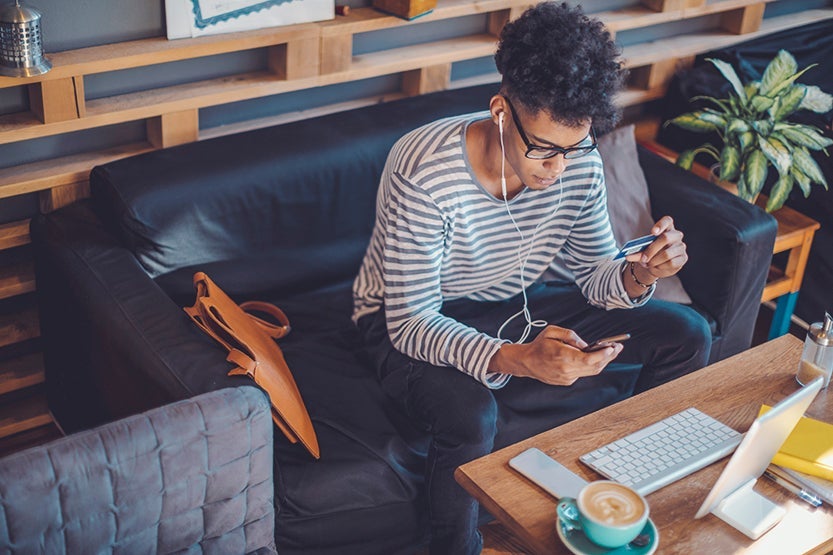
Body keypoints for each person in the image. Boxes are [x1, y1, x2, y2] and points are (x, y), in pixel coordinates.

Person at [352, 2, 711, 553]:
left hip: (514, 300)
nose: (557, 169)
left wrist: (639, 274)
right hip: (405, 317)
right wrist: (520, 358)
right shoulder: (423, 171)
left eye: (573, 149)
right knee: (471, 416)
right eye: (543, 149)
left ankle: (630, 490)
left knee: (688, 332)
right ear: (500, 111)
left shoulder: (578, 162)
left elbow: (595, 275)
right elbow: (411, 322)